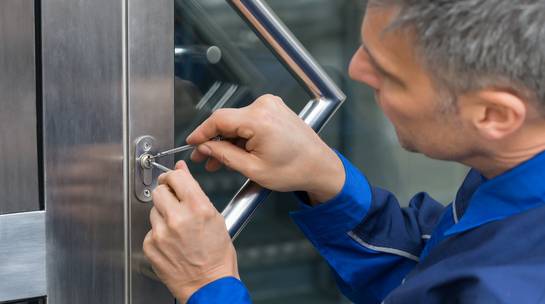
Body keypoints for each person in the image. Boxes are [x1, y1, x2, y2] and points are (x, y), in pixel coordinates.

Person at [143, 1, 545, 303]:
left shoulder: (512, 288)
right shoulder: (514, 174)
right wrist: (328, 180)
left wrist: (209, 283)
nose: (353, 70)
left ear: (495, 115)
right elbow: (429, 278)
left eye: (389, 75)